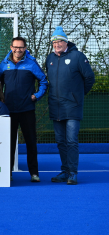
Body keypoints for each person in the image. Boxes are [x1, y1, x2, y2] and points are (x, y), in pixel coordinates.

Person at [46, 27, 95, 185]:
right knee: (60, 141)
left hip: (73, 107)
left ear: (66, 42)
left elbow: (89, 78)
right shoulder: (49, 58)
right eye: (54, 41)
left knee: (71, 140)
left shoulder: (78, 56)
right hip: (56, 106)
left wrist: (78, 95)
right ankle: (65, 170)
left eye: (59, 41)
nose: (56, 44)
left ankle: (73, 172)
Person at [0, 36, 48, 182]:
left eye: (21, 47)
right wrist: (1, 100)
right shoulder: (4, 64)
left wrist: (37, 96)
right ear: (11, 47)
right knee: (8, 143)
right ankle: (7, 173)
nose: (18, 49)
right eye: (15, 47)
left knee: (31, 142)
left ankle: (34, 173)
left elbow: (44, 81)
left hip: (27, 109)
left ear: (25, 49)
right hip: (9, 111)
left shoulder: (32, 64)